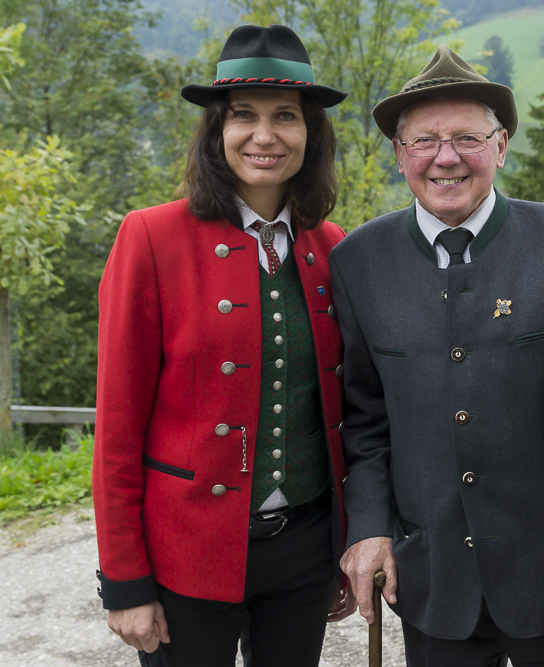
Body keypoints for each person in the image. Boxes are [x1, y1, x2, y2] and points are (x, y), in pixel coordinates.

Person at [328, 45, 544, 666]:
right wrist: (369, 526)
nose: (445, 158)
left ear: (500, 148)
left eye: (467, 138)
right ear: (399, 156)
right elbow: (365, 419)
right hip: (434, 580)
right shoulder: (359, 261)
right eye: (424, 141)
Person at [93, 24, 357, 667]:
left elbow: (349, 412)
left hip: (305, 554)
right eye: (244, 115)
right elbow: (118, 424)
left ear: (311, 133)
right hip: (185, 553)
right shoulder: (150, 237)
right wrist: (125, 581)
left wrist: (347, 544)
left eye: (285, 116)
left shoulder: (333, 247)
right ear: (216, 130)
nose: (264, 135)